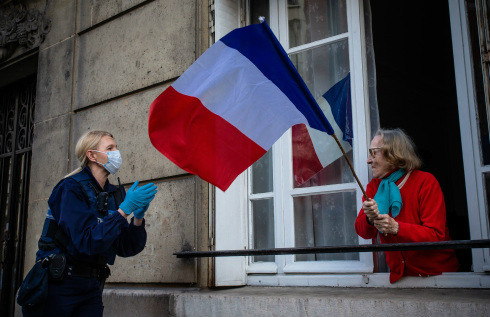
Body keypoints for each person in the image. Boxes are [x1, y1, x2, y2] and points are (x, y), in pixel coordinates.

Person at [22, 131, 157, 316]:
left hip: (91, 286)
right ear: (91, 155)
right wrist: (123, 211)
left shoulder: (115, 193)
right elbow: (85, 241)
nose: (116, 152)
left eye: (116, 147)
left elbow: (126, 247)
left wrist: (138, 218)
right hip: (60, 285)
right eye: (109, 148)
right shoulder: (70, 188)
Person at [355, 128, 459, 283]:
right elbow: (363, 232)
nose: (368, 160)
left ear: (393, 154)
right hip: (400, 278)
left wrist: (397, 228)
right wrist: (369, 219)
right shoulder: (373, 187)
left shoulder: (425, 182)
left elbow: (436, 236)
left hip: (437, 277)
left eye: (374, 153)